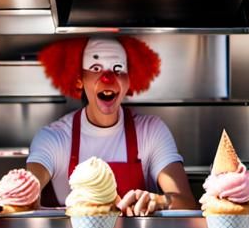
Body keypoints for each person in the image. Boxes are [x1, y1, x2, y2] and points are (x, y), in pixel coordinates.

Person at [27, 36, 197, 216]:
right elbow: (26, 194)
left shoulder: (151, 131)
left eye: (118, 69)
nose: (108, 78)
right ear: (79, 79)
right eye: (95, 68)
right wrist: (29, 196)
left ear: (129, 80)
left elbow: (186, 202)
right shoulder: (54, 137)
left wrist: (160, 201)